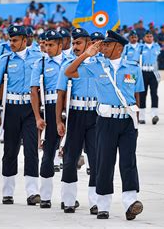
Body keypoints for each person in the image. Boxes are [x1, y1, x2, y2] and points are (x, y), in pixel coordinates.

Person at [64, 30, 144, 221]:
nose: (102, 47)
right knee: (104, 162)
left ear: (118, 47)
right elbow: (69, 71)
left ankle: (131, 202)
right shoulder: (97, 65)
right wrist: (86, 54)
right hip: (105, 121)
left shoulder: (133, 68)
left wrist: (137, 118)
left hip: (127, 121)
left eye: (107, 44)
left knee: (128, 162)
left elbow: (138, 95)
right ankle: (103, 205)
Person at [0, 25, 41, 206]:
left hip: (30, 109)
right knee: (10, 151)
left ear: (24, 40)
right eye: (10, 40)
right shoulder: (5, 59)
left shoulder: (38, 57)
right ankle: (8, 192)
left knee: (31, 150)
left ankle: (33, 192)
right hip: (11, 108)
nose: (11, 43)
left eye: (15, 40)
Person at [56, 28, 98, 214]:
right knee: (71, 157)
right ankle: (69, 200)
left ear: (89, 44)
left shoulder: (99, 64)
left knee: (96, 159)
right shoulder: (68, 64)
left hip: (96, 114)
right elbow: (60, 95)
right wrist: (59, 121)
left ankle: (96, 200)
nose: (74, 47)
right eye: (73, 43)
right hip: (75, 114)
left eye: (78, 43)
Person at [30, 30, 69, 208]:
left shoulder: (70, 62)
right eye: (46, 45)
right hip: (50, 108)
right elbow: (34, 91)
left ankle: (68, 197)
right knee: (48, 153)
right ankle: (45, 196)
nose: (47, 48)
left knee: (69, 154)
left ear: (60, 45)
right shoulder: (41, 63)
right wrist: (38, 116)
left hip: (69, 108)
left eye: (51, 45)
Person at [137, 30, 161, 125]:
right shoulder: (141, 47)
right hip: (143, 72)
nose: (149, 38)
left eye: (151, 36)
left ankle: (154, 115)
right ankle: (142, 117)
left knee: (154, 93)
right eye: (147, 36)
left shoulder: (156, 46)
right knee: (143, 94)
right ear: (144, 38)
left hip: (153, 73)